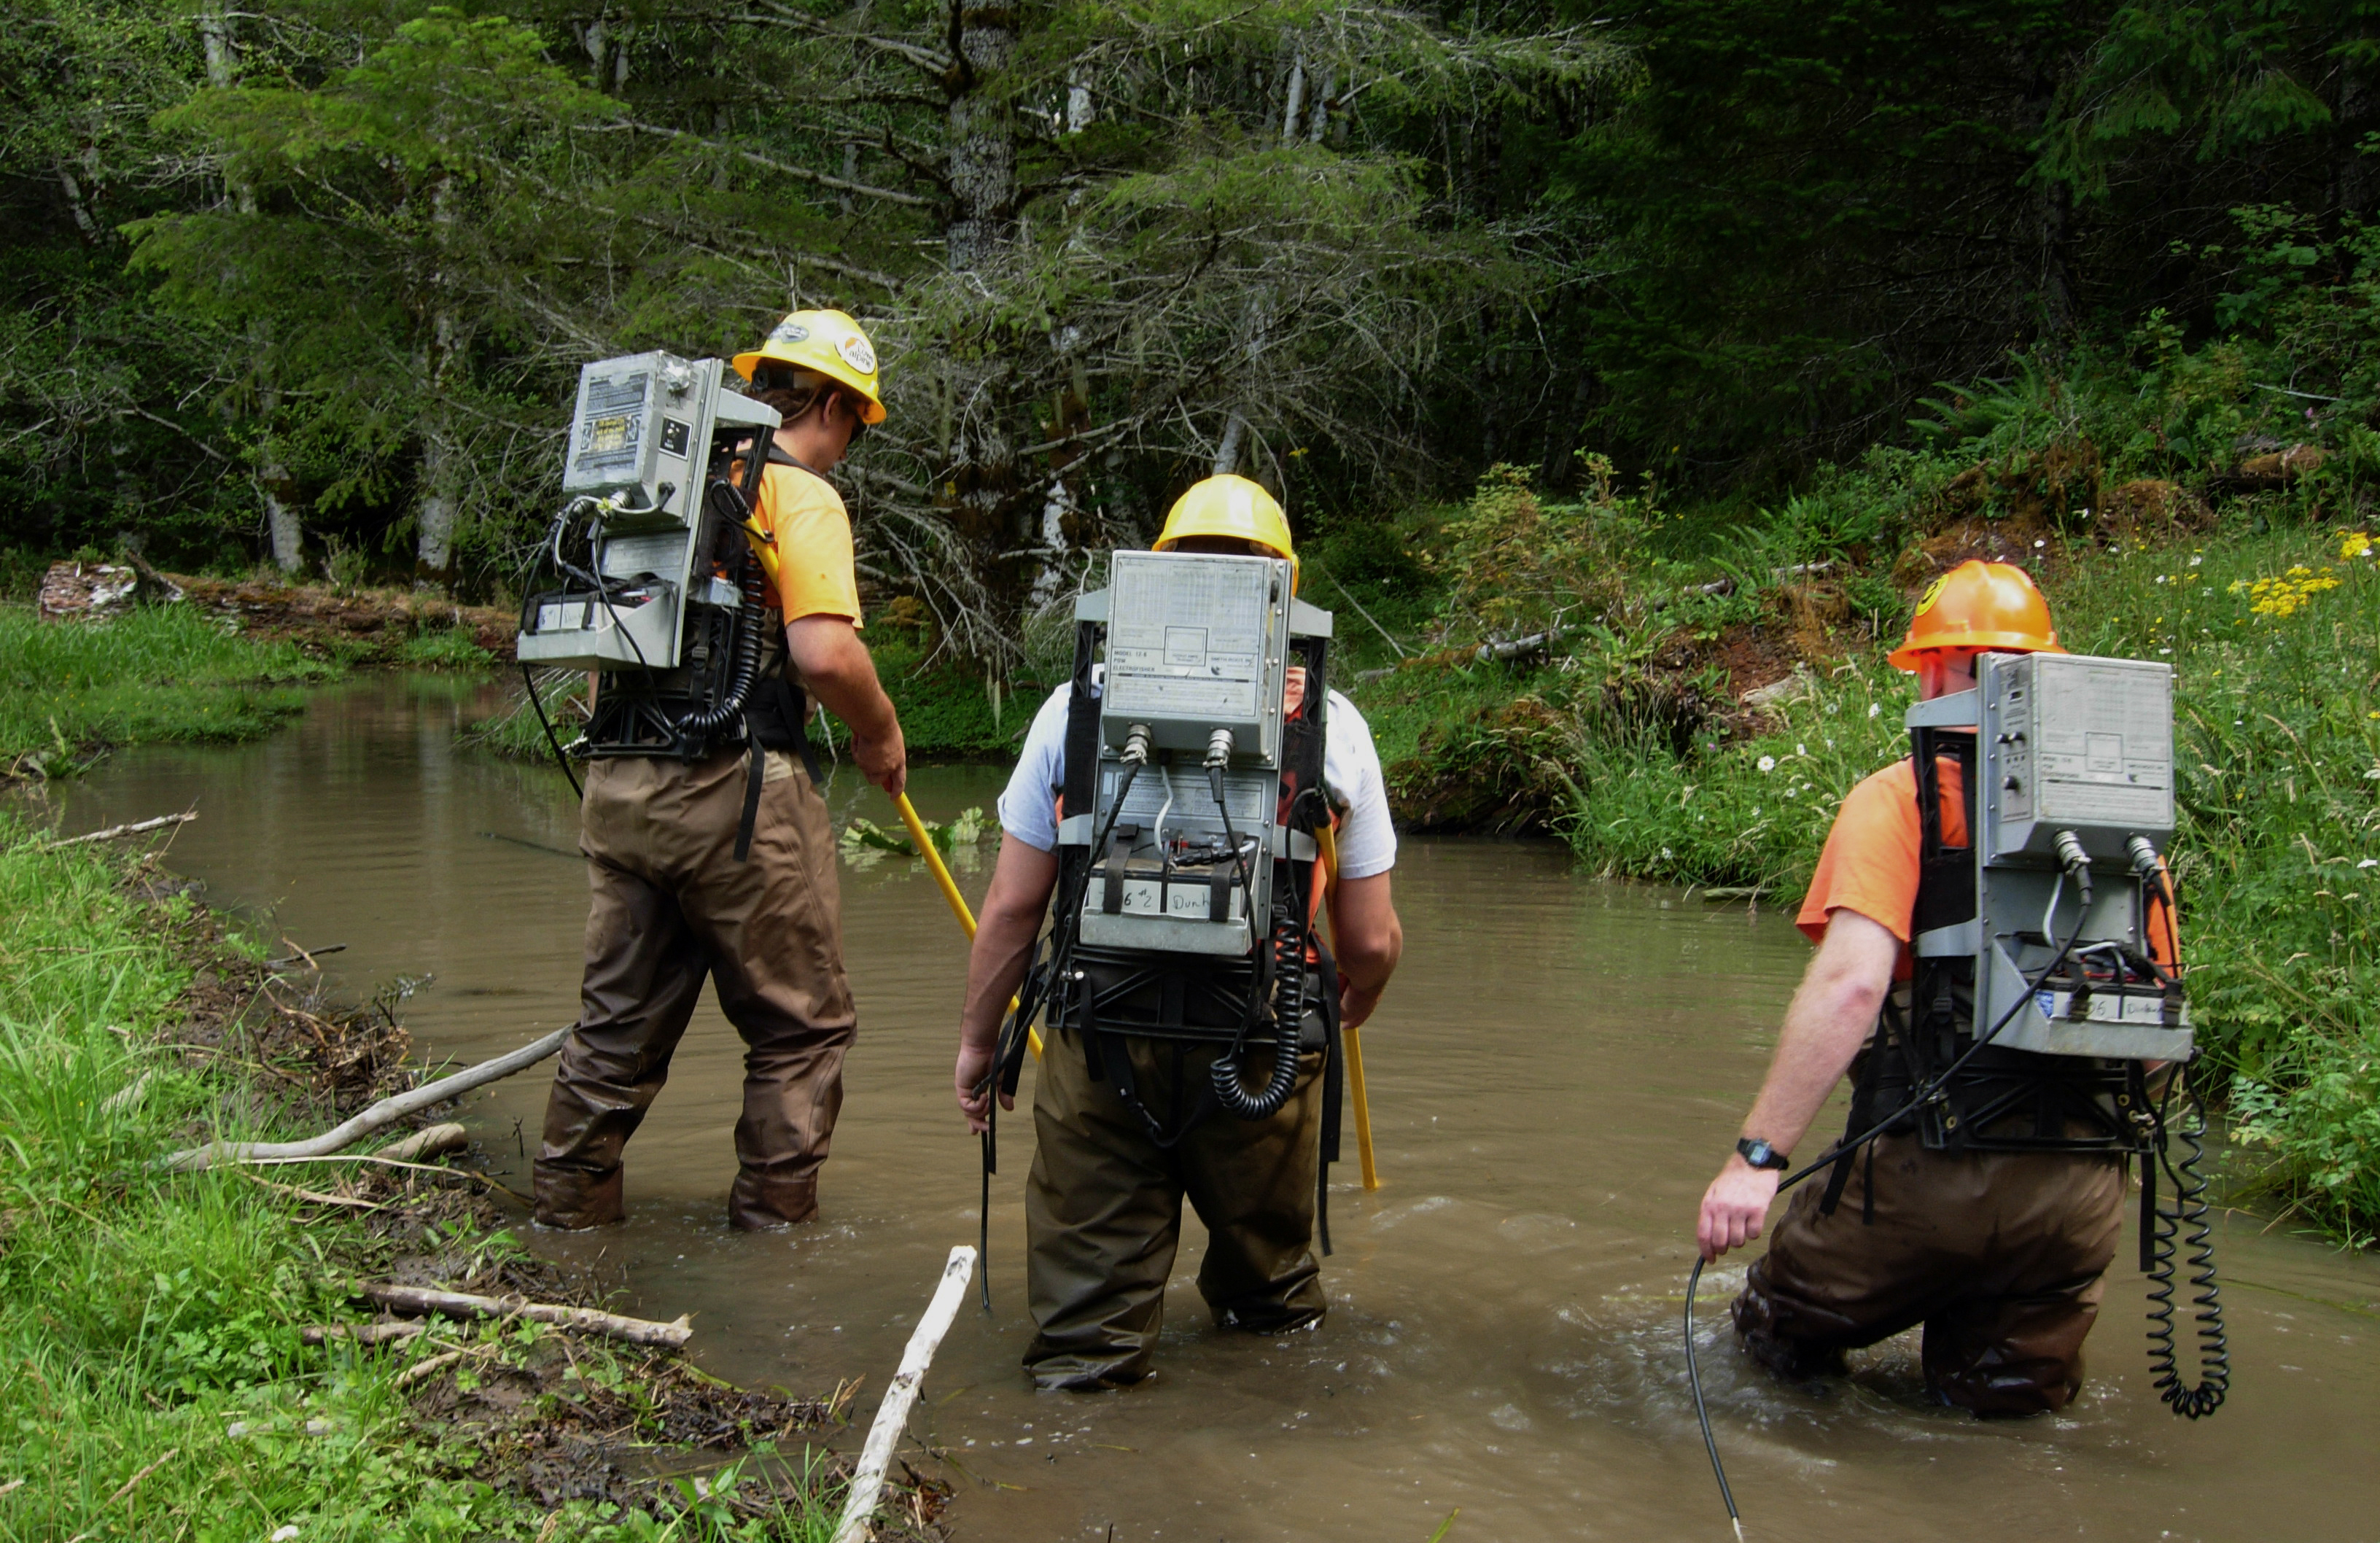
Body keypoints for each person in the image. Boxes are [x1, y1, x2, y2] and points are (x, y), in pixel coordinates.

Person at [950, 475, 1405, 1391]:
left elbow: (1010, 909)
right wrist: (1354, 997)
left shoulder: (1072, 707)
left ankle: (1086, 1449)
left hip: (1099, 1032)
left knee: (1086, 1337)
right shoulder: (1333, 724)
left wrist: (977, 1041)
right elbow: (1372, 940)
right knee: (1269, 1310)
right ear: (1283, 584)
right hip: (1261, 1041)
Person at [1694, 559, 2177, 1415]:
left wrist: (1756, 1159)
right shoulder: (2126, 831)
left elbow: (1850, 987)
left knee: (1775, 1337)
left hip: (1929, 1174)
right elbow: (2159, 1024)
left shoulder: (1897, 799)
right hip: (2079, 1202)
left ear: (1930, 670)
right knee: (2005, 1419)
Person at [533, 309, 907, 1233]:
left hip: (619, 785)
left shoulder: (661, 487)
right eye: (854, 425)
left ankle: (562, 1227)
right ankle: (776, 1255)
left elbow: (603, 647)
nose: (849, 446)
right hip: (736, 791)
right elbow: (823, 654)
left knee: (614, 1031)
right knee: (802, 1029)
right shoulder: (800, 493)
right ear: (831, 405)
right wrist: (881, 733)